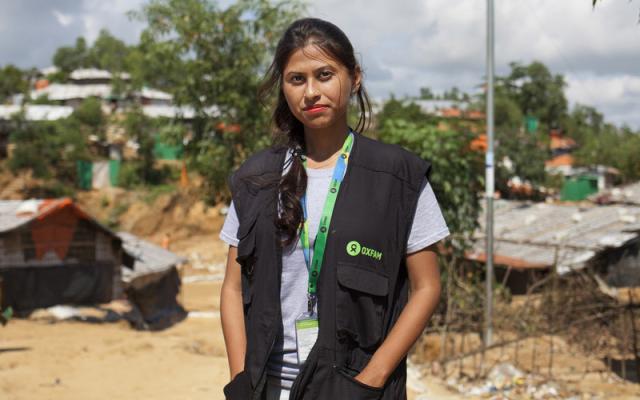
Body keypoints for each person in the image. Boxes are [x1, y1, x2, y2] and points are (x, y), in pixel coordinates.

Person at [219, 17, 448, 400]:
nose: (311, 92)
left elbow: (427, 287)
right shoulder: (254, 179)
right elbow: (230, 286)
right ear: (284, 88)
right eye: (296, 79)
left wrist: (370, 381)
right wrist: (240, 377)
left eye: (324, 75)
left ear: (354, 78)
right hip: (265, 388)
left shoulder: (399, 178)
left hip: (356, 389)